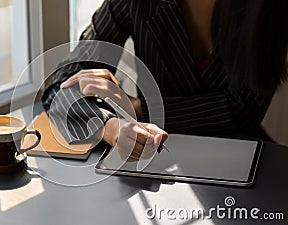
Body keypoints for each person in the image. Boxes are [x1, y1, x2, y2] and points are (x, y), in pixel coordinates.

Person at [42, 0, 288, 161]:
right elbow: (60, 85)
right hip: (153, 158)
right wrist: (112, 128)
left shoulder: (267, 8)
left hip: (243, 157)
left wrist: (137, 109)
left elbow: (244, 109)